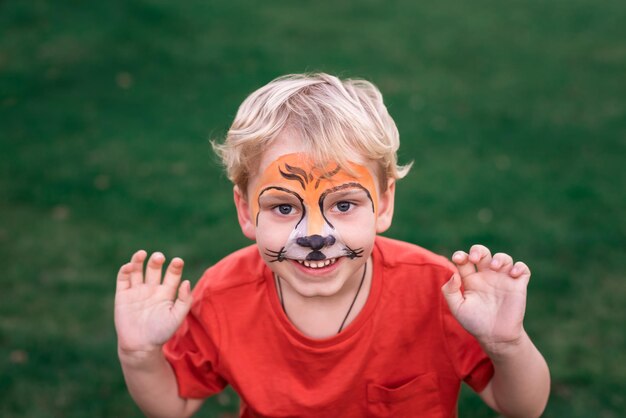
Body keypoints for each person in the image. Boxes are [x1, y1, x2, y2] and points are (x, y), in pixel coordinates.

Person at [114, 73, 550, 418]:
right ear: (246, 212)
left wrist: (507, 344)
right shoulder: (223, 296)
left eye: (343, 204)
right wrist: (138, 355)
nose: (315, 236)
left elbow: (521, 407)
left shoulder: (437, 292)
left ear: (383, 203)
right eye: (284, 208)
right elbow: (175, 405)